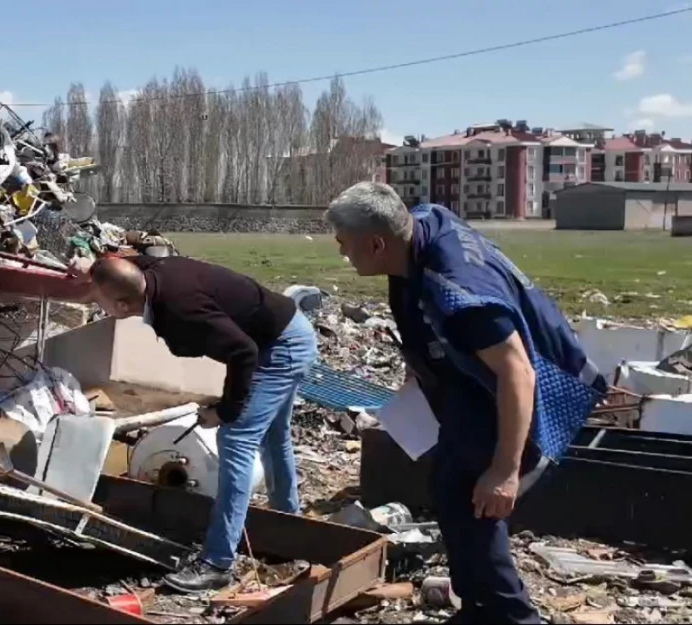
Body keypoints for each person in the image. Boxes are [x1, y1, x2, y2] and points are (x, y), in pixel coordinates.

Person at [325, 182, 606, 624]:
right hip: (469, 387)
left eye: (344, 245)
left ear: (377, 243)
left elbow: (519, 373)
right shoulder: (422, 225)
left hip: (522, 391)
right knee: (448, 486)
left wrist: (505, 471)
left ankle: (512, 616)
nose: (342, 254)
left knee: (476, 505)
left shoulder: (457, 293)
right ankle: (478, 608)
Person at [70, 254, 318, 593]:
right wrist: (93, 266)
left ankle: (217, 563)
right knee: (273, 436)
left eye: (100, 302)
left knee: (236, 439)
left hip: (278, 348)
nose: (98, 307)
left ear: (123, 304)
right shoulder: (151, 273)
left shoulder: (180, 310)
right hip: (283, 331)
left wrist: (225, 411)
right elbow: (130, 262)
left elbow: (242, 352)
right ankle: (289, 528)